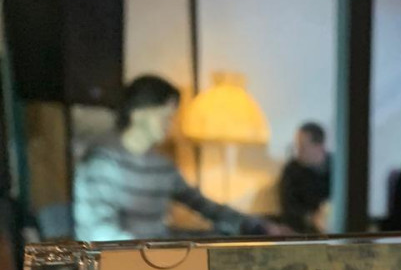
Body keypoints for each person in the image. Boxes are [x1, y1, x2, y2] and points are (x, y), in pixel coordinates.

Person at [74, 75, 288, 242]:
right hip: (122, 265)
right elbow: (98, 233)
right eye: (165, 116)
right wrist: (156, 253)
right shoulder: (102, 162)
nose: (170, 124)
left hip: (157, 257)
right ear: (137, 113)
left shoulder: (161, 166)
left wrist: (255, 226)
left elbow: (203, 205)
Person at [279, 123, 332, 235]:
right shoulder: (292, 170)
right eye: (297, 146)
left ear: (319, 146)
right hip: (303, 233)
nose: (298, 151)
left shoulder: (338, 167)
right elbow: (288, 208)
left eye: (302, 146)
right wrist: (312, 218)